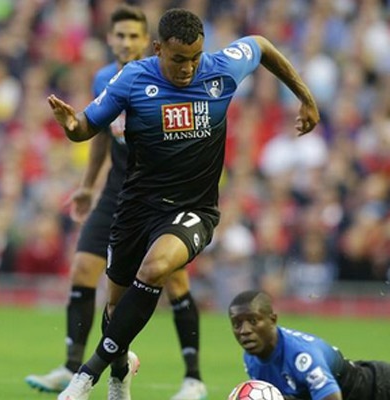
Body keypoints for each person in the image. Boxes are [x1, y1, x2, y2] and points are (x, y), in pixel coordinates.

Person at [47, 8, 320, 400]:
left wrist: (305, 98)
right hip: (136, 208)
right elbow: (87, 127)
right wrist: (72, 126)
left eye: (195, 57)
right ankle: (120, 375)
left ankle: (84, 377)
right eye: (178, 59)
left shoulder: (221, 68)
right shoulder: (132, 78)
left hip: (194, 209)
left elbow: (261, 46)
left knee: (156, 267)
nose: (189, 67)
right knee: (115, 312)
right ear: (157, 48)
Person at [25, 5, 207, 400]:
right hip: (115, 192)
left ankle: (193, 377)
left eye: (133, 37)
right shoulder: (106, 78)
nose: (126, 43)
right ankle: (76, 365)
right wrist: (88, 185)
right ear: (110, 39)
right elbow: (101, 132)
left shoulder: (165, 76)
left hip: (157, 196)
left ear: (149, 43)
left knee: (172, 277)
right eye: (119, 36)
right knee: (84, 269)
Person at [228, 290, 390, 400]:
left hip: (378, 390)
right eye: (237, 324)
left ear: (273, 320)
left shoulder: (302, 356)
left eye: (253, 321)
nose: (245, 331)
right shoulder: (251, 359)